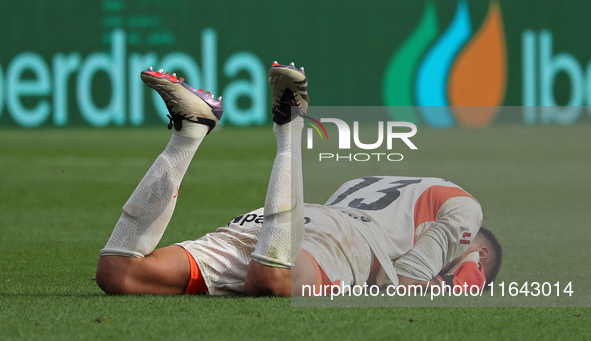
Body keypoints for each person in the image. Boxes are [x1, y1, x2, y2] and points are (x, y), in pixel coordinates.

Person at [96, 62, 502, 297]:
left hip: (280, 222)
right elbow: (413, 278)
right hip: (341, 239)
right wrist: (457, 280)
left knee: (120, 274)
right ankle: (290, 128)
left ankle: (189, 132)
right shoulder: (465, 210)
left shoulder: (371, 184)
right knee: (271, 279)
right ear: (479, 253)